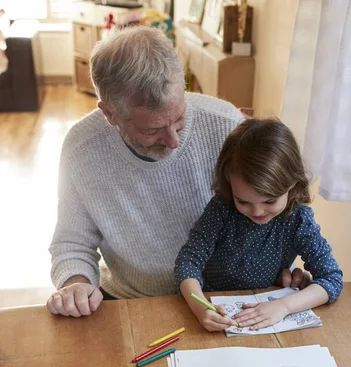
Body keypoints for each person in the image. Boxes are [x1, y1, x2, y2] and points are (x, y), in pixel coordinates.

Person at [47, 27, 310, 318]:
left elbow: (274, 204)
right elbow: (71, 244)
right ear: (110, 114)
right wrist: (76, 284)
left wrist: (282, 266)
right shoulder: (81, 148)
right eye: (153, 129)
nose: (173, 141)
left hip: (222, 300)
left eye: (180, 117)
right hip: (131, 300)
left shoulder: (226, 125)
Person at [175, 118, 343, 332]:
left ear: (292, 186)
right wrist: (201, 308)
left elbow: (332, 278)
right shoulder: (222, 208)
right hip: (217, 306)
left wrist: (283, 306)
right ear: (230, 186)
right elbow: (188, 261)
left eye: (269, 201)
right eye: (243, 201)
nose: (257, 212)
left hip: (267, 314)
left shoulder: (298, 218)